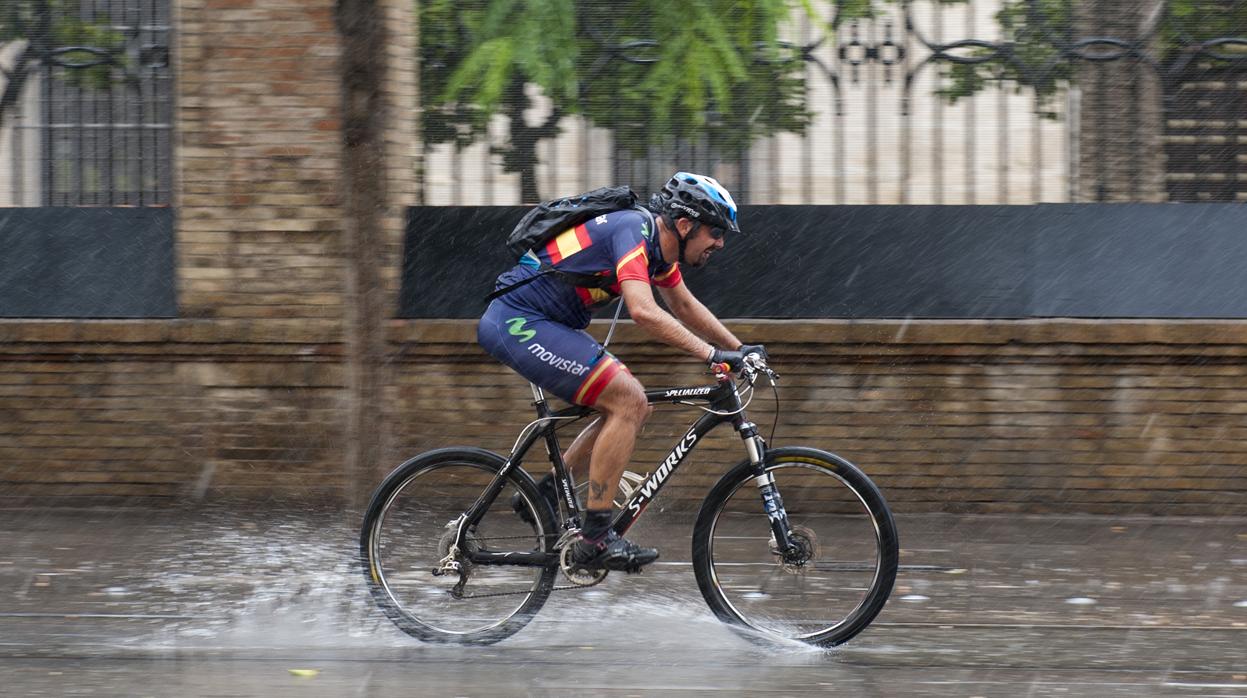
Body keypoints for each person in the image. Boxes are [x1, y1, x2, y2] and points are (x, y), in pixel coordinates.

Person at [477, 172, 767, 572]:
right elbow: (644, 311)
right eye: (715, 232)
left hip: (544, 324)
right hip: (518, 322)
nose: (720, 242)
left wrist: (739, 349)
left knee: (634, 405)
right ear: (685, 225)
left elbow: (683, 306)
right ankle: (595, 538)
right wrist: (711, 355)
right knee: (628, 399)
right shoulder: (634, 228)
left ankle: (544, 495)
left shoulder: (658, 251)